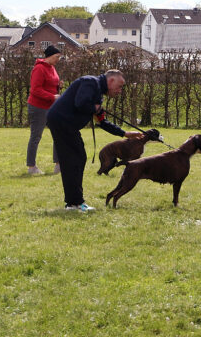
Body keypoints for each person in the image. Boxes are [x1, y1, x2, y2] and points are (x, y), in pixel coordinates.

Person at [46, 70, 142, 212]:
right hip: (62, 122)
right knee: (74, 161)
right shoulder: (91, 82)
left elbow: (102, 122)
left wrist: (125, 133)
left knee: (78, 159)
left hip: (66, 125)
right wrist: (95, 108)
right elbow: (80, 103)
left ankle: (74, 202)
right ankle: (74, 203)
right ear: (111, 81)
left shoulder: (98, 95)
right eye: (120, 86)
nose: (120, 91)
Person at [26, 45, 62, 175]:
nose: (58, 59)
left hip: (51, 107)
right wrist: (52, 96)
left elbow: (51, 83)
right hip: (38, 107)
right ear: (50, 56)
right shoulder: (39, 68)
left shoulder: (52, 68)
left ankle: (59, 165)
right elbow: (35, 90)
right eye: (57, 57)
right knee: (36, 136)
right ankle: (31, 167)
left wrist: (58, 86)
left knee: (58, 134)